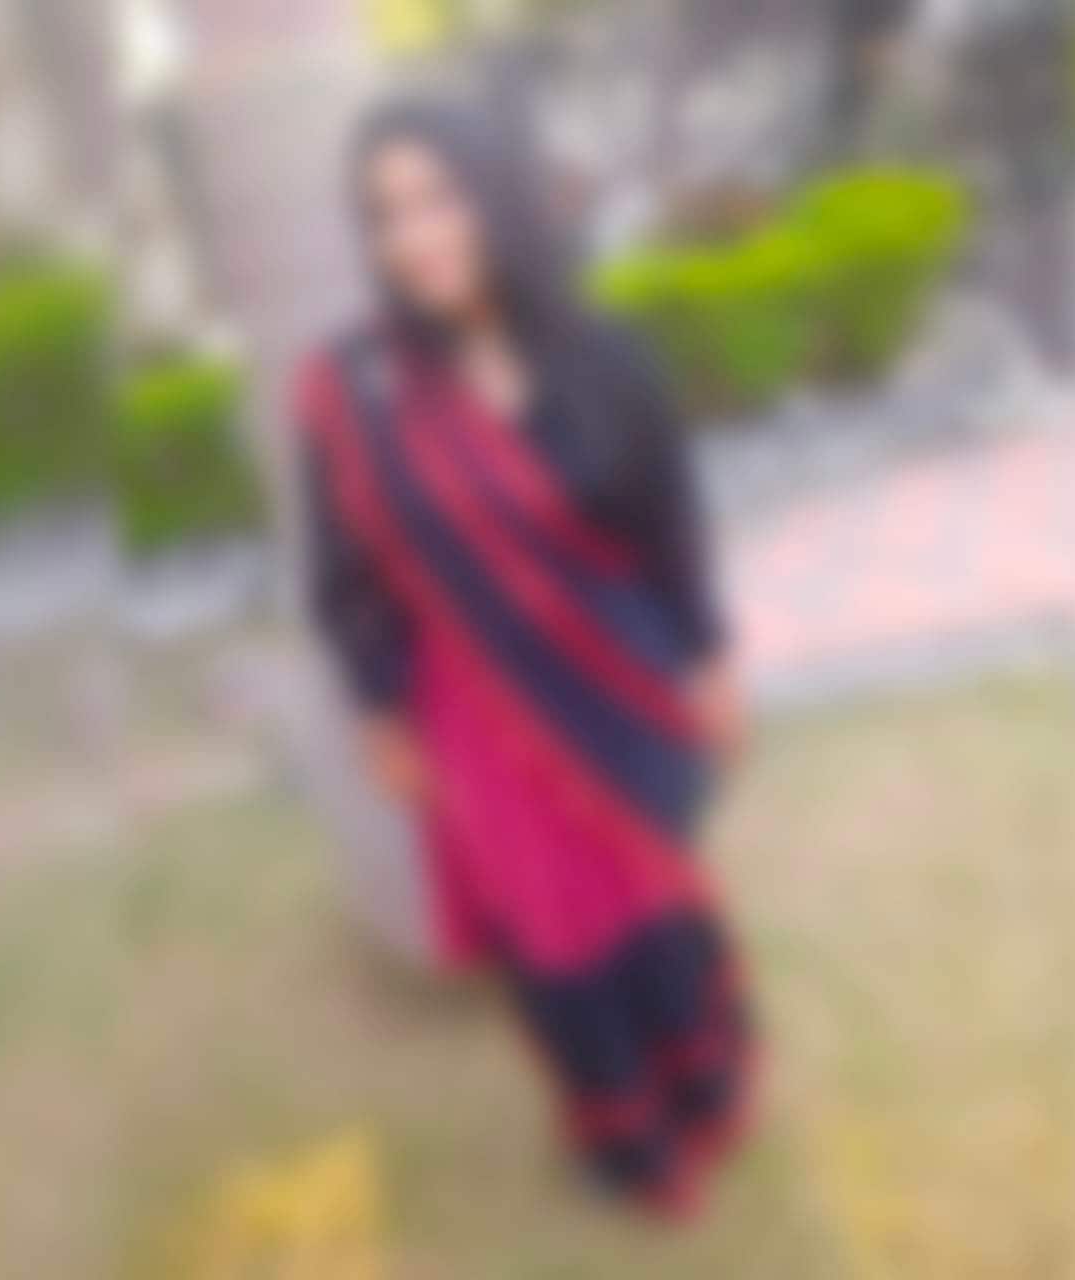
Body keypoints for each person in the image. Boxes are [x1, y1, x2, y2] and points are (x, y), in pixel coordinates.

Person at [296, 97, 752, 1219]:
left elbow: (667, 524)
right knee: (555, 936)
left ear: (496, 193)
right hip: (483, 718)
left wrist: (707, 657)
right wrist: (379, 710)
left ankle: (706, 1081)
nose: (416, 237)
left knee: (653, 891)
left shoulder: (604, 358)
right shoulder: (355, 391)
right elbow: (343, 574)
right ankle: (626, 1138)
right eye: (387, 214)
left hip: (623, 688)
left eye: (438, 199)